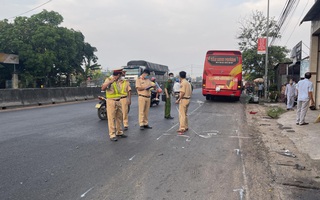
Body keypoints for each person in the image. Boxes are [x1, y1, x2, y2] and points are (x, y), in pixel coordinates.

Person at [101, 70, 127, 142]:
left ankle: (119, 132)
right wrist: (110, 82)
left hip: (118, 101)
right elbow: (103, 88)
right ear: (118, 75)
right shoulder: (109, 80)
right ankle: (112, 134)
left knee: (119, 117)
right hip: (111, 101)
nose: (121, 77)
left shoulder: (118, 81)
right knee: (111, 118)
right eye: (120, 75)